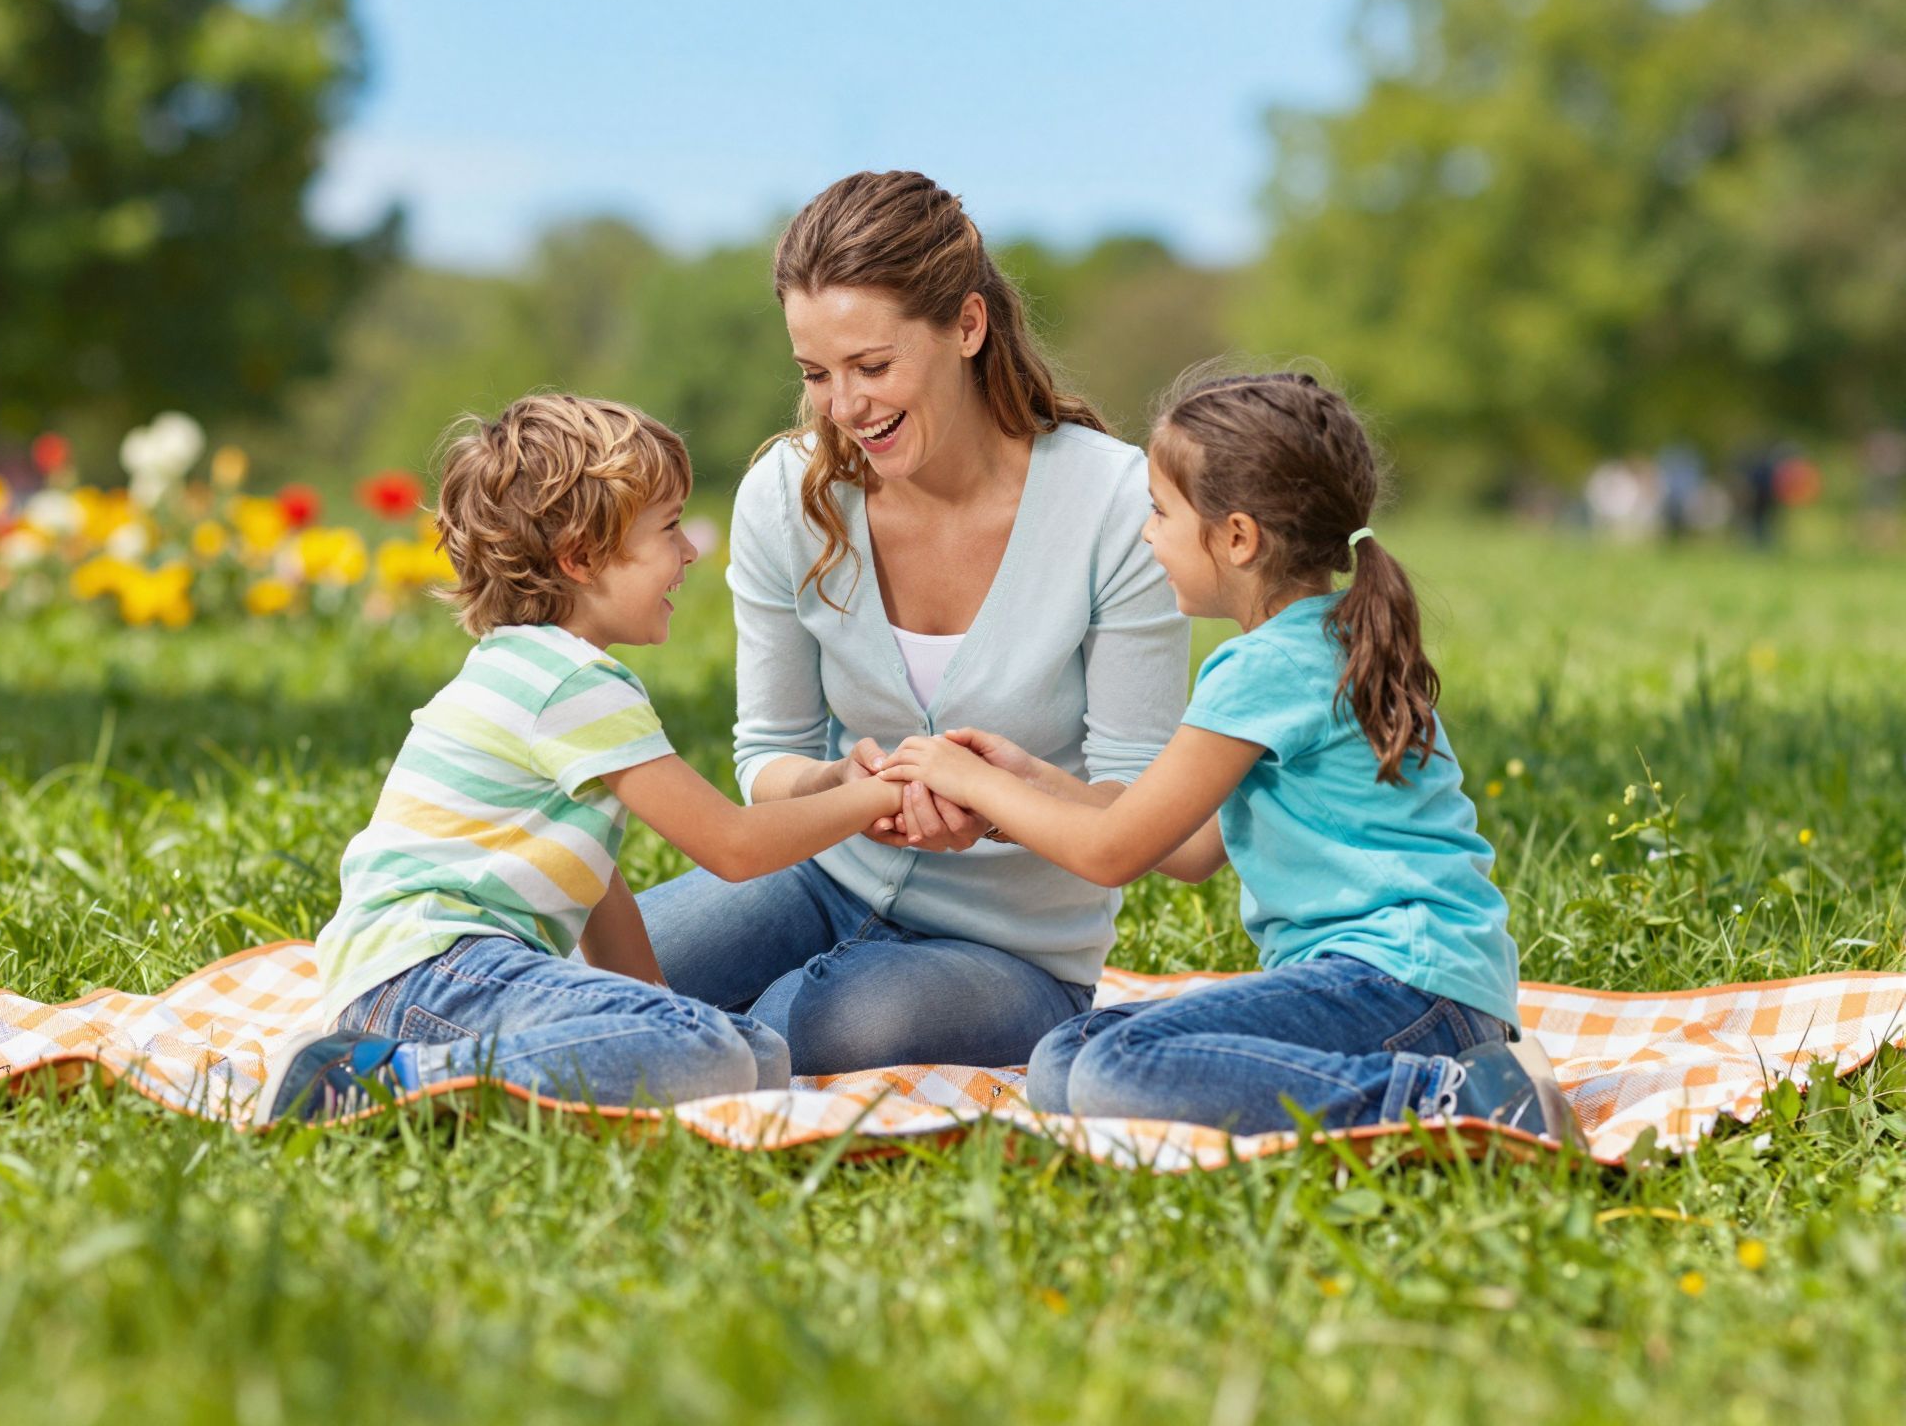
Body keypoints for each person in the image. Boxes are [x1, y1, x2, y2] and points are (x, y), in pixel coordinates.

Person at [879, 369, 1564, 1137]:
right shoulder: (1328, 638)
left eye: (1160, 512)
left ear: (1237, 537)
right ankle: (1456, 1078)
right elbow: (1191, 848)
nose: (1147, 535)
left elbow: (1112, 853)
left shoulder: (1264, 668)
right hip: (1435, 993)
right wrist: (1027, 778)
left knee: (1108, 1066)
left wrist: (967, 779)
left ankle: (1458, 1099)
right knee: (1068, 1060)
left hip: (1399, 986)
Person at [634, 171, 1189, 1076]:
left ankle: (712, 1040)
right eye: (816, 374)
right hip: (818, 876)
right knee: (596, 970)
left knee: (817, 1024)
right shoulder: (785, 495)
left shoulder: (1117, 505)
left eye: (872, 367)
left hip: (1013, 951)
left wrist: (998, 809)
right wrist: (836, 785)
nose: (844, 407)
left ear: (967, 327)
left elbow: (1141, 805)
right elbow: (767, 758)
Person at [259, 395, 905, 1123]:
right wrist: (879, 795)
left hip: (396, 983)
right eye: (669, 529)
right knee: (715, 1053)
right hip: (437, 972)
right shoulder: (575, 684)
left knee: (752, 1056)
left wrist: (655, 1008)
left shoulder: (523, 662)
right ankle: (381, 1081)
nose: (689, 553)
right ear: (581, 557)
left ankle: (398, 1070)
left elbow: (594, 880)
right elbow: (733, 846)